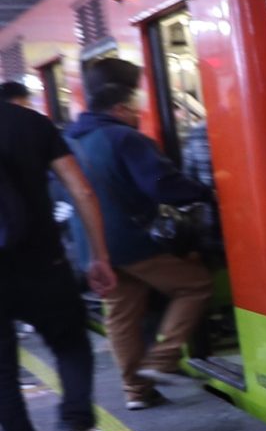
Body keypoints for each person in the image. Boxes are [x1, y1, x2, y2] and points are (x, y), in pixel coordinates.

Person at [62, 57, 217, 411]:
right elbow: (162, 185)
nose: (139, 116)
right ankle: (161, 362)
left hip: (92, 248)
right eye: (135, 109)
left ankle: (136, 391)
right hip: (132, 240)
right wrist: (205, 192)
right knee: (195, 284)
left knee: (121, 315)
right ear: (119, 108)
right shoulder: (124, 138)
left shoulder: (69, 140)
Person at [2, 96, 117, 431]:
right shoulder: (31, 123)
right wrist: (98, 256)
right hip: (43, 263)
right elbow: (81, 191)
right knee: (70, 343)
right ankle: (75, 421)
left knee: (3, 376)